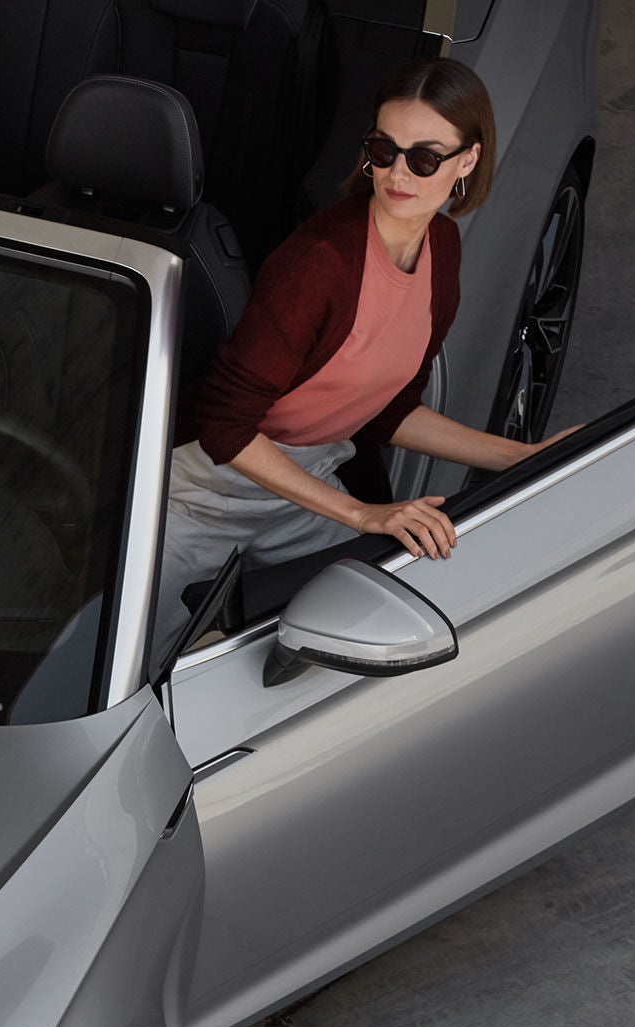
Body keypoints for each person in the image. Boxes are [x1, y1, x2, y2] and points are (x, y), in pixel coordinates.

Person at [154, 56, 577, 658]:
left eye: (425, 157)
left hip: (307, 484)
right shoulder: (318, 265)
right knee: (147, 673)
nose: (399, 173)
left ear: (467, 161)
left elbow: (386, 410)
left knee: (387, 627)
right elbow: (224, 426)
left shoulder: (442, 251)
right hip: (205, 492)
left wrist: (523, 456)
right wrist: (362, 515)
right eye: (384, 150)